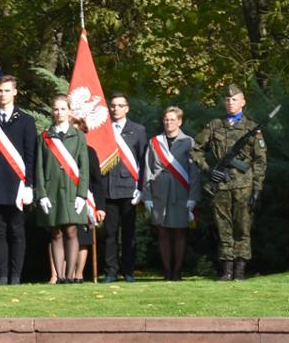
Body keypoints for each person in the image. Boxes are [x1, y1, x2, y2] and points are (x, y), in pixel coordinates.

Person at [193, 84, 268, 281]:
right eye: (227, 100)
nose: (230, 103)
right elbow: (196, 150)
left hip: (244, 185)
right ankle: (226, 270)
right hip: (221, 185)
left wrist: (257, 188)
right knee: (223, 227)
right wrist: (208, 170)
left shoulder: (252, 128)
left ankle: (240, 270)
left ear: (243, 102)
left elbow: (260, 161)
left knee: (243, 227)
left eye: (234, 99)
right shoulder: (214, 125)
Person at [0, 77, 38, 284]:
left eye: (7, 91)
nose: (3, 95)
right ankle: (2, 275)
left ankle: (15, 276)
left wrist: (29, 184)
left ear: (15, 92)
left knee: (16, 231)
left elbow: (30, 155)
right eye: (0, 91)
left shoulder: (26, 120)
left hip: (17, 184)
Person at [36, 95, 95, 283]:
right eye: (56, 109)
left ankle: (70, 276)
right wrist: (41, 194)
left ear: (69, 111)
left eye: (63, 109)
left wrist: (82, 195)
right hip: (51, 190)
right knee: (56, 232)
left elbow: (84, 168)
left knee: (71, 230)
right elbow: (38, 167)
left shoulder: (78, 136)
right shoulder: (44, 136)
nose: (59, 112)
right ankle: (59, 276)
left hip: (72, 190)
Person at [96, 95, 149, 283]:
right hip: (108, 188)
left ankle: (128, 271)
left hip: (129, 189)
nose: (116, 109)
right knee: (109, 234)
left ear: (127, 108)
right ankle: (111, 271)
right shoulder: (103, 130)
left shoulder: (138, 130)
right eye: (113, 106)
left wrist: (141, 188)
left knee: (128, 233)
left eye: (120, 105)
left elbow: (143, 161)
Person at [144, 106, 197, 281]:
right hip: (159, 192)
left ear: (179, 122)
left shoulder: (188, 141)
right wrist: (147, 197)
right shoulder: (155, 142)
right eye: (166, 119)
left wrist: (193, 197)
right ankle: (167, 271)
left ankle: (177, 271)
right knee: (163, 232)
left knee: (180, 232)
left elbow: (194, 172)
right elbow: (147, 169)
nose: (169, 123)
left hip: (181, 192)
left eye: (172, 119)